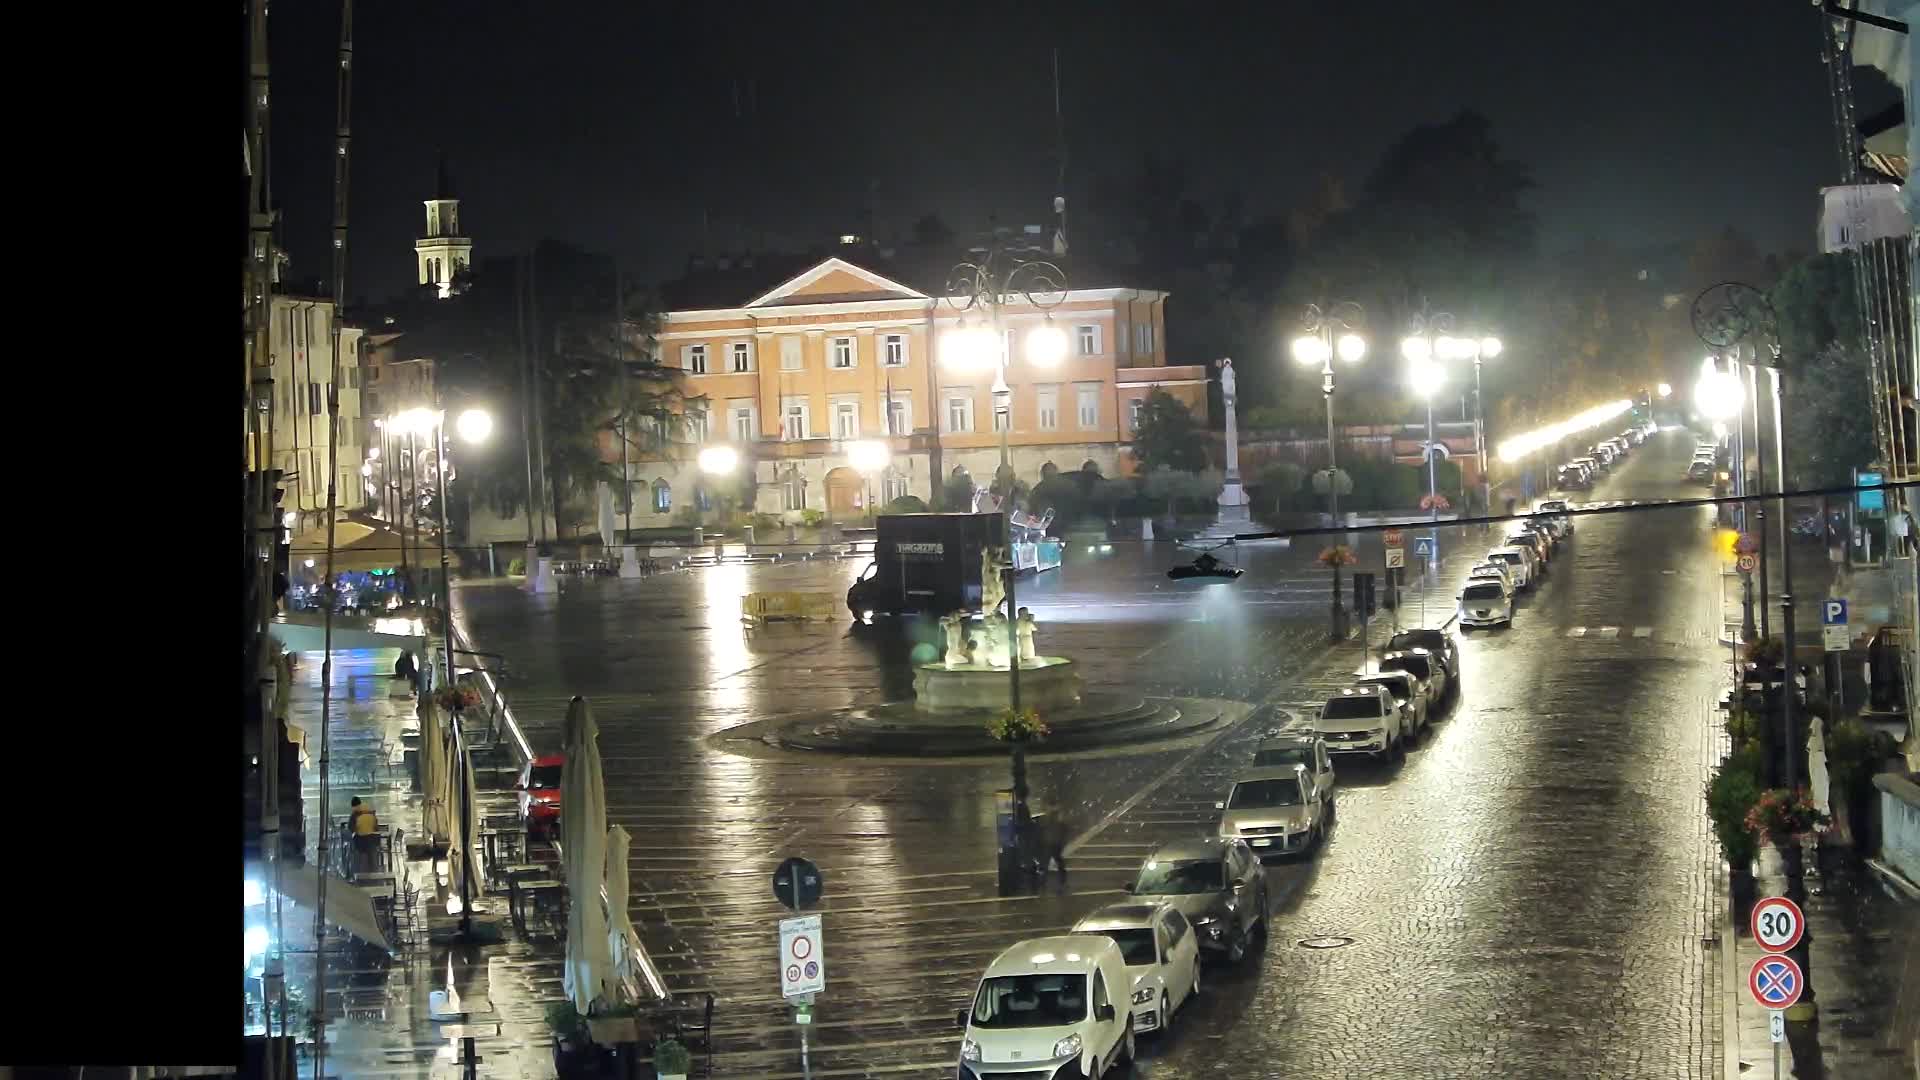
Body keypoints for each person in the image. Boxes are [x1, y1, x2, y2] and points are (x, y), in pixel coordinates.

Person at [349, 797, 380, 875]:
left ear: (353, 806)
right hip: (373, 840)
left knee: (353, 843)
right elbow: (376, 827)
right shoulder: (370, 811)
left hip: (361, 841)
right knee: (371, 853)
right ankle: (373, 871)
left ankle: (358, 869)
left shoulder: (355, 813)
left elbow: (351, 828)